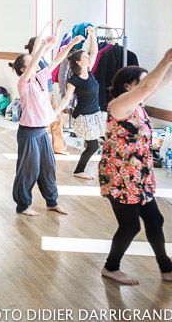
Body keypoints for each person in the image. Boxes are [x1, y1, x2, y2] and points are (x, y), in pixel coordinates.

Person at [98, 49, 172, 285]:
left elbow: (158, 82)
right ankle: (110, 268)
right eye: (142, 81)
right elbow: (148, 86)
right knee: (130, 226)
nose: (149, 86)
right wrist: (163, 60)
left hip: (139, 174)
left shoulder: (138, 105)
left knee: (155, 220)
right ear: (127, 86)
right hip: (120, 174)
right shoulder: (118, 106)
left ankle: (167, 268)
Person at [10, 33, 79, 216]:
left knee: (48, 167)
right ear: (24, 68)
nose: (33, 61)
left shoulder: (41, 78)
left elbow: (57, 60)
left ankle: (51, 201)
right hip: (28, 133)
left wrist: (72, 43)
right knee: (29, 170)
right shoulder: (23, 83)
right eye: (29, 60)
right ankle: (23, 205)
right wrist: (41, 47)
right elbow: (34, 62)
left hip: (42, 132)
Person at [55, 26, 103, 179]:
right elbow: (67, 99)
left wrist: (92, 35)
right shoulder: (74, 80)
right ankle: (79, 171)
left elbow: (94, 51)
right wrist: (54, 113)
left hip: (94, 113)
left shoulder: (88, 70)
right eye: (85, 57)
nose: (89, 58)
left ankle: (100, 168)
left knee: (98, 143)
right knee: (94, 145)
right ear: (78, 62)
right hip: (83, 116)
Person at [25, 20, 69, 155]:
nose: (45, 43)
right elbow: (39, 42)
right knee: (53, 122)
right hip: (43, 97)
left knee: (56, 121)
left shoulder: (42, 58)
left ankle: (57, 147)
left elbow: (54, 42)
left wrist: (58, 27)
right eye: (42, 42)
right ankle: (53, 148)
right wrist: (44, 28)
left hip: (48, 94)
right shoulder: (32, 58)